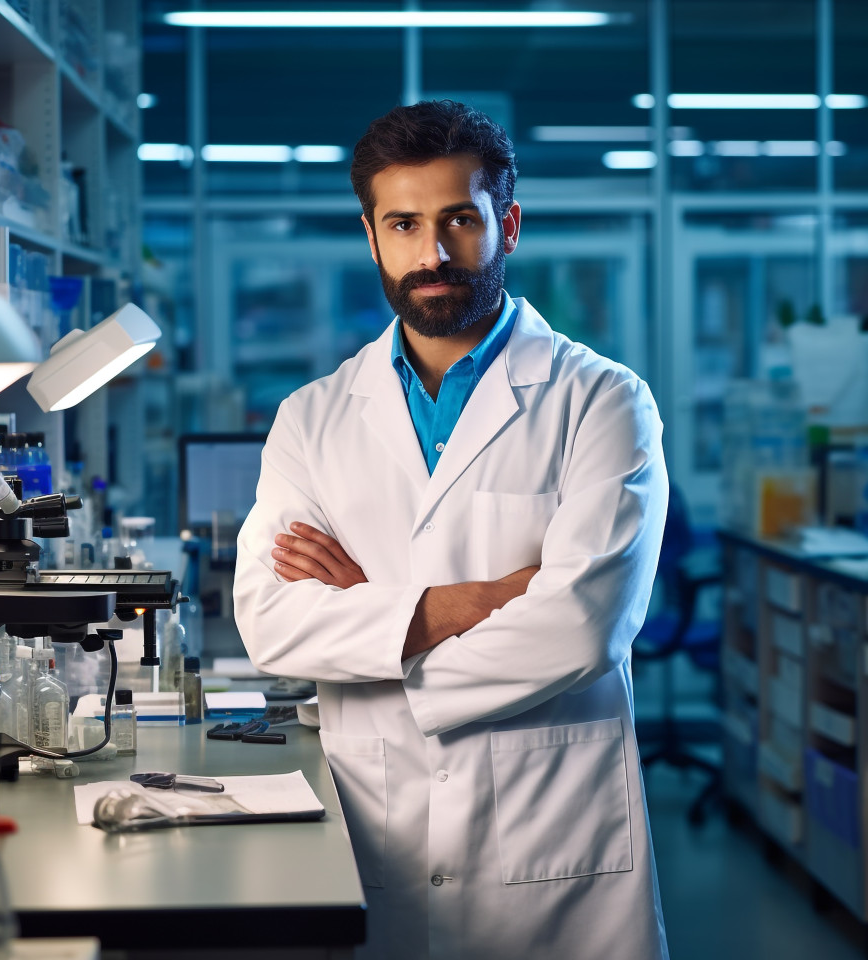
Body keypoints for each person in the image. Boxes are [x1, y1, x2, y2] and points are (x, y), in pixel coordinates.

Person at [233, 99, 670, 960]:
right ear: (371, 236)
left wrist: (375, 624)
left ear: (505, 223)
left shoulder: (602, 400)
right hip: (377, 822)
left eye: (458, 220)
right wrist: (485, 598)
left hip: (554, 840)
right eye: (403, 224)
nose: (431, 254)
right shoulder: (312, 418)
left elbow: (583, 628)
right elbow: (271, 624)